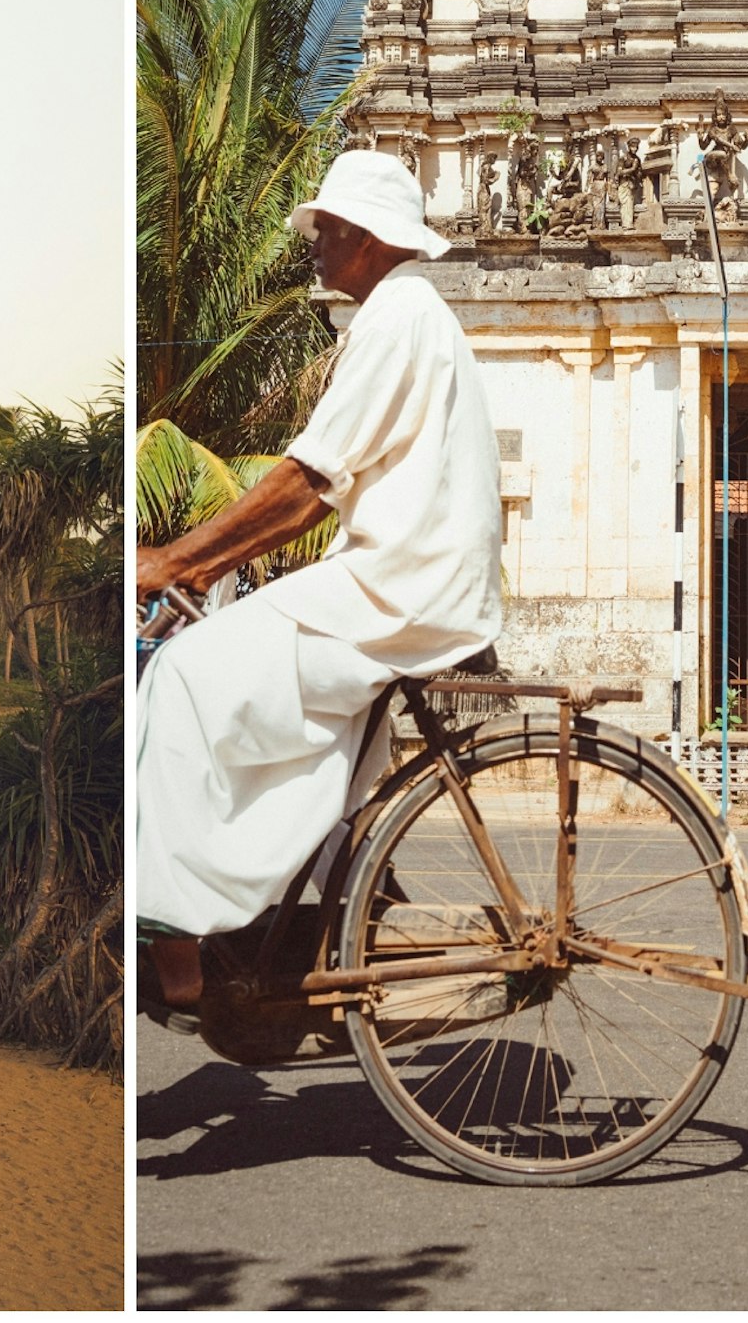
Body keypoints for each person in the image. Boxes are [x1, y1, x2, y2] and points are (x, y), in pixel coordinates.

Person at [134, 151, 500, 1054]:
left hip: (398, 584)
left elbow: (306, 485)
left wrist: (174, 561)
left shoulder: (401, 315)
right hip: (407, 577)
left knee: (181, 675)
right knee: (268, 712)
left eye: (328, 232)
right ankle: (266, 913)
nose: (316, 246)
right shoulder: (405, 316)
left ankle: (175, 947)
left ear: (370, 242)